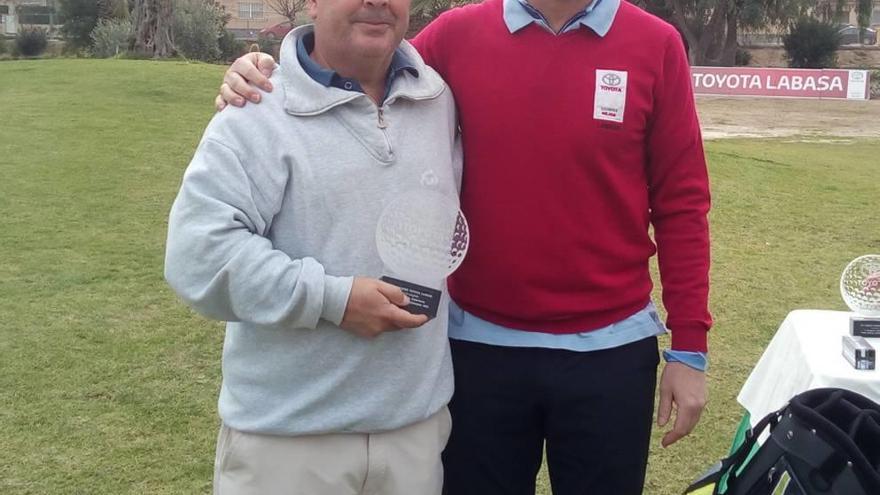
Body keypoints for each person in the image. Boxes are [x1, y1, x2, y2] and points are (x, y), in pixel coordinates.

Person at [214, 0, 713, 492]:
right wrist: (269, 68)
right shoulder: (456, 35)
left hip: (611, 350)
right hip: (478, 349)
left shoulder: (656, 44)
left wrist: (689, 349)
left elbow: (682, 203)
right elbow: (364, 59)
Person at [163, 0, 462, 491]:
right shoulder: (258, 107)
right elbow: (199, 255)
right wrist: (333, 300)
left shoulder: (439, 101)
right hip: (289, 442)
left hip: (416, 431)